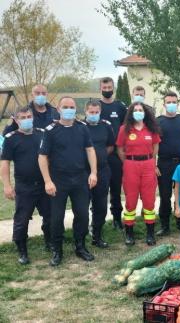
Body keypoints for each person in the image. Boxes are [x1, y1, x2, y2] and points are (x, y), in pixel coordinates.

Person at [38, 97, 97, 266]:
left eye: (71, 107)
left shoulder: (82, 128)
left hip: (80, 178)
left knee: (83, 215)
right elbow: (42, 157)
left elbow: (90, 150)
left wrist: (93, 172)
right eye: (65, 107)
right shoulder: (50, 130)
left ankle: (80, 246)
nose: (69, 109)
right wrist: (47, 181)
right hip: (58, 180)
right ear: (58, 108)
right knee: (56, 217)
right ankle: (57, 250)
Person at [0, 107, 51, 264]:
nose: (27, 119)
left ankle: (50, 242)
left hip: (44, 184)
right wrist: (7, 186)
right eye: (23, 117)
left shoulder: (42, 134)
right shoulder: (10, 138)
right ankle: (22, 250)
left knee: (50, 216)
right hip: (24, 186)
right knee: (21, 220)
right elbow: (4, 164)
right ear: (16, 120)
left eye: (29, 116)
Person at [116, 102, 161, 246]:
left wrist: (150, 162)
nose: (138, 112)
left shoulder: (152, 129)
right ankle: (129, 233)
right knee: (131, 200)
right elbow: (120, 150)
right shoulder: (124, 129)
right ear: (130, 113)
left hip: (148, 165)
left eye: (140, 110)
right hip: (130, 165)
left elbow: (155, 148)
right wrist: (130, 161)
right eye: (135, 110)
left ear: (145, 112)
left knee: (149, 200)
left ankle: (150, 234)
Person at [156, 91, 180, 236]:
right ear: (164, 104)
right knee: (165, 195)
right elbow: (152, 144)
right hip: (164, 164)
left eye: (174, 102)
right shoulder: (158, 121)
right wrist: (155, 165)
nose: (171, 105)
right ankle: (165, 225)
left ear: (178, 104)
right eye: (169, 102)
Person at [84, 100, 115, 248]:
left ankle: (97, 236)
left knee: (101, 206)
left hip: (103, 171)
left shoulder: (106, 126)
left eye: (96, 112)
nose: (94, 115)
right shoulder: (80, 127)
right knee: (82, 206)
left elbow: (110, 146)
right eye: (91, 112)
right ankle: (81, 236)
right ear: (85, 112)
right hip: (83, 172)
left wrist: (99, 158)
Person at [99, 77, 127, 230]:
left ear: (113, 88)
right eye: (105, 87)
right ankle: (98, 222)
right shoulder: (96, 106)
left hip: (116, 155)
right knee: (99, 191)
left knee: (116, 189)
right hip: (100, 155)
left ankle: (117, 219)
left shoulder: (120, 106)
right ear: (100, 88)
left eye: (110, 87)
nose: (107, 90)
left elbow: (126, 128)